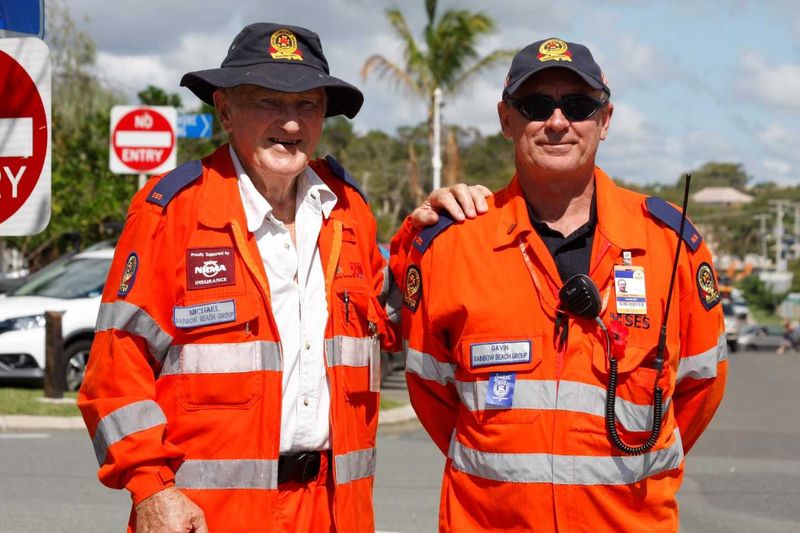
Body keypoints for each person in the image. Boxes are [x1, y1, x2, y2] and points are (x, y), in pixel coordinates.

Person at [78, 22, 487, 533]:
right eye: (269, 102)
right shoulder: (171, 213)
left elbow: (391, 320)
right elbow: (114, 373)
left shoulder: (348, 210)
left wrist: (431, 232)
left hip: (335, 514)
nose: (290, 123)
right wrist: (152, 489)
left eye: (307, 105)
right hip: (207, 517)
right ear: (226, 110)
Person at [393, 37, 728, 532]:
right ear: (506, 119)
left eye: (577, 106)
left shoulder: (669, 243)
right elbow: (431, 392)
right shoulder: (453, 244)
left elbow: (700, 388)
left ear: (605, 121)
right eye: (535, 106)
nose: (556, 122)